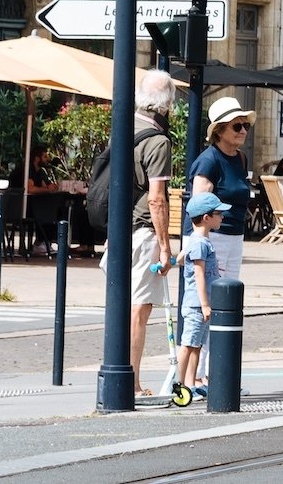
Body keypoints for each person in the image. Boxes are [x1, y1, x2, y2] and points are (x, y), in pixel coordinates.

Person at [100, 68, 174, 389]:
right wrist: (166, 245)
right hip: (143, 233)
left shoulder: (121, 128)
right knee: (138, 311)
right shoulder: (157, 141)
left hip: (116, 230)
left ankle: (116, 372)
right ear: (167, 105)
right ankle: (129, 381)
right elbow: (157, 200)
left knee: (120, 304)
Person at [189, 98, 255, 284]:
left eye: (246, 125)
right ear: (219, 130)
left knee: (230, 292)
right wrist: (201, 246)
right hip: (215, 237)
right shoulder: (208, 161)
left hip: (236, 235)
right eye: (236, 127)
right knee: (213, 293)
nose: (243, 131)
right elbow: (198, 209)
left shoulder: (241, 158)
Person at [173, 191, 229, 405]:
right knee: (188, 344)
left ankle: (190, 384)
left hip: (201, 305)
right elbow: (198, 274)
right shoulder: (200, 243)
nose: (222, 218)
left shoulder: (198, 241)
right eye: (219, 214)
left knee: (196, 345)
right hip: (197, 305)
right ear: (207, 217)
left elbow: (181, 258)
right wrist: (205, 304)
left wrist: (176, 259)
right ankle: (178, 386)